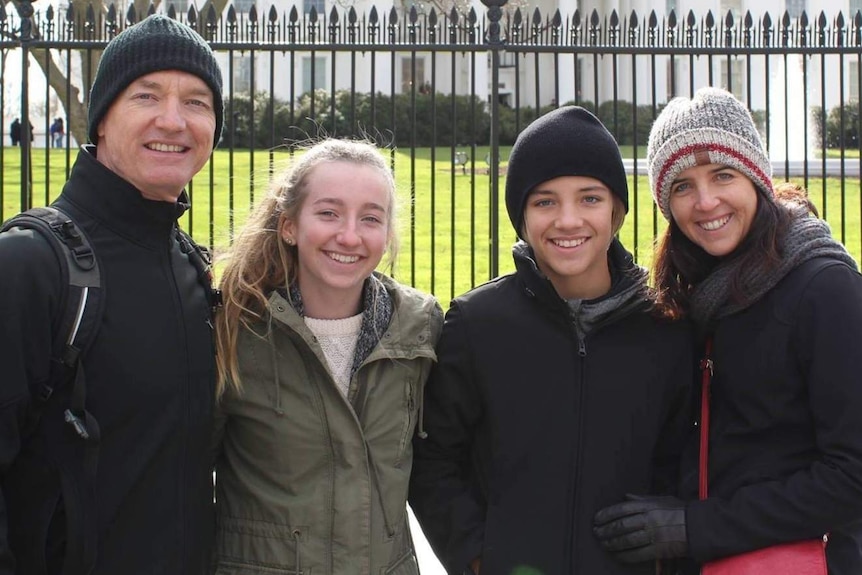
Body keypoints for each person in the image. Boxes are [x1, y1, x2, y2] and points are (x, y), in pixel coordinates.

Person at [408, 106, 693, 575]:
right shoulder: (477, 324)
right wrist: (477, 557)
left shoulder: (665, 327)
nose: (567, 220)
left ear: (618, 211)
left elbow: (681, 463)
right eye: (545, 202)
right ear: (521, 215)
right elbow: (434, 459)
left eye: (589, 199)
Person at [593, 87, 862, 574]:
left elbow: (852, 477)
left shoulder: (824, 288)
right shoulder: (688, 293)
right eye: (682, 186)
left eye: (723, 175)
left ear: (756, 178)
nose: (705, 201)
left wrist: (696, 528)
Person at [0, 14, 224, 575]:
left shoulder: (193, 269)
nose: (173, 120)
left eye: (197, 102)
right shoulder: (30, 265)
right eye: (146, 95)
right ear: (101, 120)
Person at [211, 138, 444, 575]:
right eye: (328, 213)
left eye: (370, 218)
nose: (349, 235)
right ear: (289, 226)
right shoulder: (234, 329)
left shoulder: (418, 327)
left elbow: (443, 465)